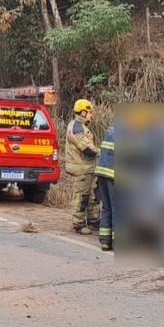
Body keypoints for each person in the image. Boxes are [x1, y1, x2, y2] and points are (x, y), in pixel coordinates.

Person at [65, 98, 100, 235]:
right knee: (82, 196)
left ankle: (93, 221)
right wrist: (102, 152)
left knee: (93, 195)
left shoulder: (81, 126)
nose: (91, 115)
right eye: (89, 112)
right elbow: (87, 150)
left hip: (88, 168)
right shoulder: (77, 128)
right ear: (83, 113)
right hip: (81, 169)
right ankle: (79, 224)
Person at [95, 123, 115, 251]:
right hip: (114, 173)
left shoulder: (112, 127)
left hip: (102, 172)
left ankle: (105, 241)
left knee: (107, 206)